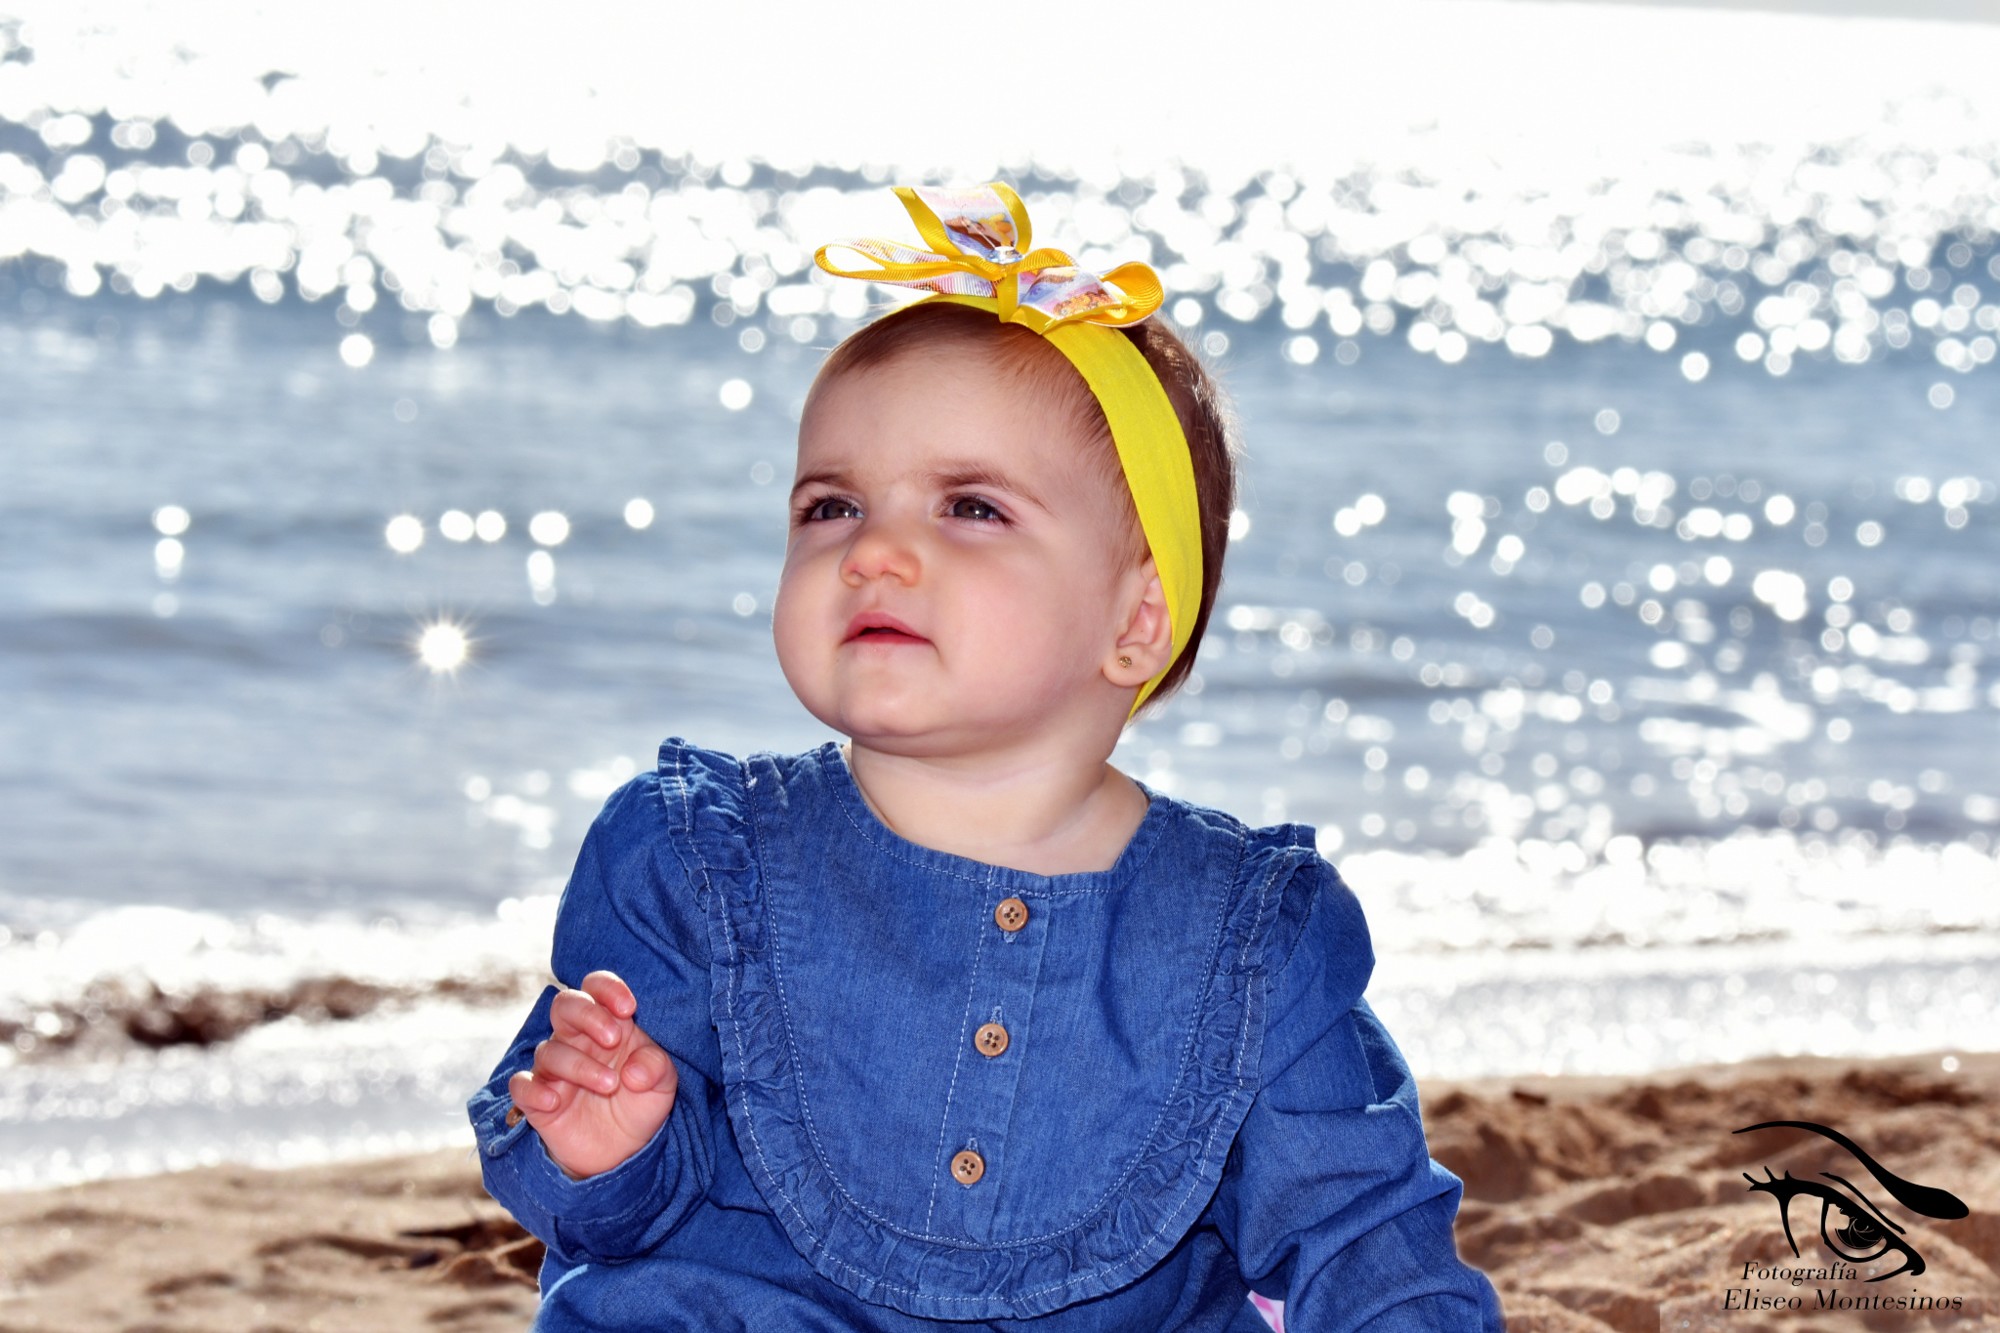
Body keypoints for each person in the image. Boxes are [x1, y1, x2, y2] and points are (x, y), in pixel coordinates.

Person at [467, 182, 1504, 1331]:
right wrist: (607, 1146)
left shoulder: (1247, 944)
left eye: (967, 506)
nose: (874, 553)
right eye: (829, 507)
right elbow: (593, 1219)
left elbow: (1363, 1235)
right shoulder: (694, 861)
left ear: (1134, 622)